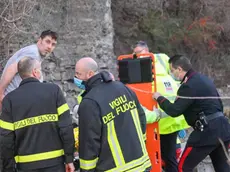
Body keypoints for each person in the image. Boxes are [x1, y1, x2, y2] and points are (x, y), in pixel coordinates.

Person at [153, 55, 230, 172]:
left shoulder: (188, 86)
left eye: (172, 70)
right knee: (223, 168)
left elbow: (174, 110)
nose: (172, 74)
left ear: (179, 69)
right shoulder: (204, 79)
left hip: (206, 131)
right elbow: (219, 105)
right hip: (223, 129)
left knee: (183, 167)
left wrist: (159, 98)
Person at [75, 57, 151, 171]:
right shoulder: (123, 88)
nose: (76, 77)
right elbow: (141, 118)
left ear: (89, 74)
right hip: (141, 163)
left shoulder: (89, 102)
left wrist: (87, 170)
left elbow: (89, 143)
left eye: (78, 74)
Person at [0, 57, 75, 172]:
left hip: (26, 166)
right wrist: (69, 158)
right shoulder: (54, 91)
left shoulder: (9, 100)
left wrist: (8, 168)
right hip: (55, 164)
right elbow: (66, 127)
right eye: (40, 69)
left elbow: (6, 139)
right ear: (35, 72)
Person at [133, 41, 189, 172]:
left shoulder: (158, 62)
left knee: (167, 158)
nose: (136, 56)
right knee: (166, 157)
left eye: (138, 53)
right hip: (167, 119)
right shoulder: (155, 62)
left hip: (164, 121)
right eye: (135, 54)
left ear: (147, 50)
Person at [0, 30, 58, 109]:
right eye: (47, 42)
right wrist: (0, 94)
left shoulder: (36, 54)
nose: (50, 47)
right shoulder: (33, 53)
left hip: (14, 101)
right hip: (10, 101)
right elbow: (12, 69)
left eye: (53, 44)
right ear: (40, 40)